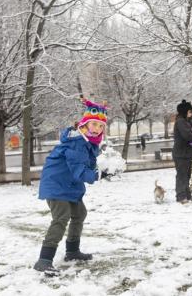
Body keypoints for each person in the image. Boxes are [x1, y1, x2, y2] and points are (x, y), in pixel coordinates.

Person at [33, 98, 110, 275]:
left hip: (69, 186)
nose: (97, 129)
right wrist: (99, 175)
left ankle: (72, 251)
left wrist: (104, 168)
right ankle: (44, 260)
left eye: (100, 126)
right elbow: (79, 170)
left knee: (79, 213)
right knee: (61, 218)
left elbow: (88, 166)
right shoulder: (76, 142)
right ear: (85, 124)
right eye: (94, 125)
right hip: (57, 185)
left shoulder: (88, 143)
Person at [172, 100, 192, 204]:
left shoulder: (185, 121)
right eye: (189, 111)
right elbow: (188, 136)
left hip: (186, 153)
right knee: (182, 175)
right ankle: (181, 197)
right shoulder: (181, 122)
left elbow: (191, 134)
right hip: (181, 154)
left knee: (187, 175)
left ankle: (187, 195)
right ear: (185, 111)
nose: (191, 113)